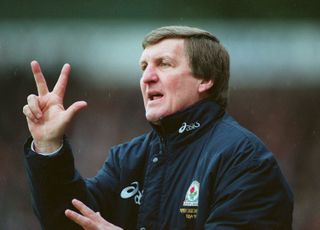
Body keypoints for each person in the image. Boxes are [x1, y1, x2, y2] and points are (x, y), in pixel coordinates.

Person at [23, 26, 293, 229]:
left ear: (206, 80)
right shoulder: (127, 159)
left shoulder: (244, 159)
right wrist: (48, 147)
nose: (147, 77)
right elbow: (70, 223)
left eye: (164, 64)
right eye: (143, 67)